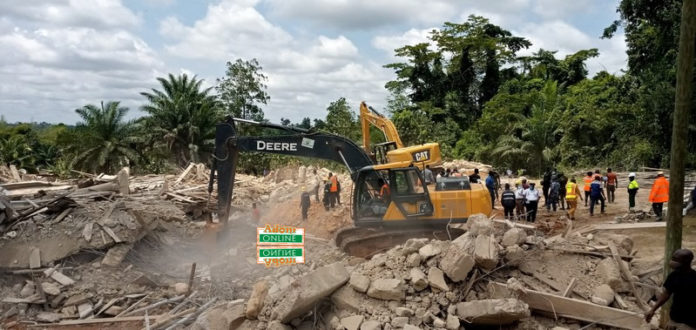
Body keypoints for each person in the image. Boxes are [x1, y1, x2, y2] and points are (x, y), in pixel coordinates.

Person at [644, 249, 696, 329]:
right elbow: (666, 294)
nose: (672, 262)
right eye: (673, 258)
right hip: (674, 320)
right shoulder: (673, 275)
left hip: (689, 323)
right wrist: (652, 310)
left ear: (687, 261)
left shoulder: (694, 278)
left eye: (676, 259)